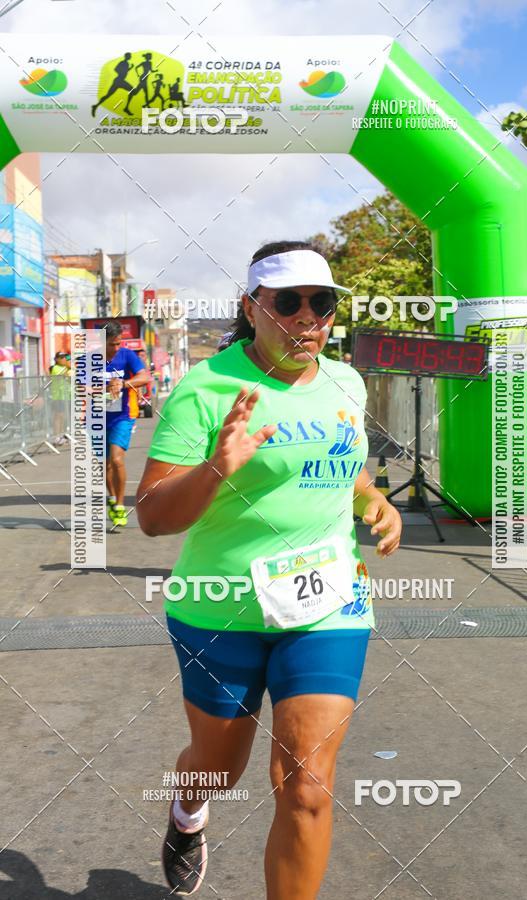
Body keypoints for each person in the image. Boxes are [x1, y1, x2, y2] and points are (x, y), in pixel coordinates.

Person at [136, 240, 402, 897]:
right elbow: (152, 515)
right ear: (252, 307)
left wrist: (372, 501)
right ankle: (188, 809)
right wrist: (217, 467)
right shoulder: (207, 389)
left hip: (327, 608)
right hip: (219, 605)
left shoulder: (347, 381)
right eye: (290, 302)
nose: (308, 316)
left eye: (323, 302)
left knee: (307, 785)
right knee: (217, 770)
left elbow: (349, 466)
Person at [104, 321, 150, 526]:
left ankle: (120, 505)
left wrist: (123, 383)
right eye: (111, 344)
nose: (115, 348)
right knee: (104, 465)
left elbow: (144, 376)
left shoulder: (127, 355)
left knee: (117, 459)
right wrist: (102, 388)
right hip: (97, 417)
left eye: (118, 343)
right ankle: (113, 499)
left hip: (122, 416)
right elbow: (79, 385)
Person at [49, 351, 71, 441]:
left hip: (67, 396)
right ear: (57, 359)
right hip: (58, 396)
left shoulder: (67, 368)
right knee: (58, 416)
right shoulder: (55, 368)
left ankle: (61, 435)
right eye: (61, 358)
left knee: (64, 417)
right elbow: (66, 375)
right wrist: (68, 366)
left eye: (65, 358)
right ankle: (56, 436)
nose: (64, 359)